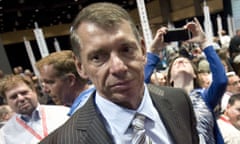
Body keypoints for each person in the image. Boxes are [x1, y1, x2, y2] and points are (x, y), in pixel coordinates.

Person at [39, 2, 199, 144]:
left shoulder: (179, 100)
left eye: (126, 49)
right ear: (80, 67)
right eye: (97, 57)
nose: (118, 67)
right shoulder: (63, 140)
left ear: (143, 50)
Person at [144, 19, 227, 143]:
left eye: (186, 62)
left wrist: (204, 42)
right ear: (170, 78)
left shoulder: (204, 96)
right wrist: (153, 51)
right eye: (176, 63)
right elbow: (140, 87)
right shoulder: (160, 96)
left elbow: (221, 80)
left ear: (194, 74)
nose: (181, 61)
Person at [0, 74, 70, 144]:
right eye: (14, 97)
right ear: (6, 101)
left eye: (24, 93)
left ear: (34, 91)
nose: (21, 98)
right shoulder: (4, 135)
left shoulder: (64, 113)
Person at [36, 50, 94, 116]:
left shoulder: (88, 111)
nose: (45, 90)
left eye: (50, 82)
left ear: (70, 80)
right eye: (43, 83)